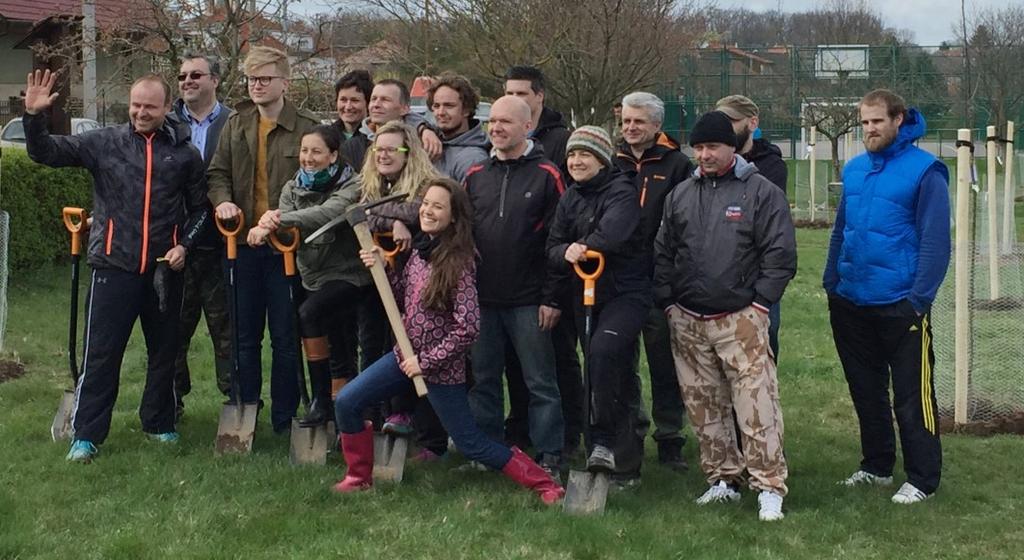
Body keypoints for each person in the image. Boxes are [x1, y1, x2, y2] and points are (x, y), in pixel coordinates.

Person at [332, 178, 565, 505]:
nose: (427, 210)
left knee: (471, 443)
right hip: (405, 354)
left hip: (439, 369)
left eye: (437, 206)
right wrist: (386, 270)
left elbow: (468, 327)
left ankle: (545, 484)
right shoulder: (418, 249)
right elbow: (403, 302)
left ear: (454, 216)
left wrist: (425, 363)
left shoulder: (461, 262)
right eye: (425, 203)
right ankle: (358, 478)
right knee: (347, 402)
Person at [23, 69, 209, 461]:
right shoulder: (103, 143)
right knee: (101, 354)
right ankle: (87, 435)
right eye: (136, 105)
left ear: (165, 108)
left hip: (163, 270)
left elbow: (200, 212)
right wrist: (35, 118)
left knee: (165, 352)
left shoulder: (184, 154)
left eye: (150, 107)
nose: (141, 113)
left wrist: (185, 247)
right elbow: (46, 153)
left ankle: (159, 422)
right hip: (113, 266)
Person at [654, 110, 796, 521]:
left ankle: (769, 485)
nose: (704, 155)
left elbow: (780, 254)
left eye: (712, 146)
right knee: (704, 405)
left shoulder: (761, 192)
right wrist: (669, 301)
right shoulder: (681, 194)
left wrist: (760, 303)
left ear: (731, 148)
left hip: (741, 318)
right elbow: (663, 251)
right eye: (698, 148)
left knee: (756, 406)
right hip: (689, 319)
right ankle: (722, 480)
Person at [824, 89, 950, 505]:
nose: (870, 129)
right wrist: (831, 283)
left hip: (901, 304)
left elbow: (935, 243)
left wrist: (918, 301)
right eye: (864, 122)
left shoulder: (925, 171)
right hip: (852, 301)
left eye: (877, 121)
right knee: (865, 389)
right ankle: (876, 466)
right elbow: (842, 229)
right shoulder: (857, 169)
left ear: (899, 120)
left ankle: (923, 478)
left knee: (913, 397)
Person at [207, 46, 319, 433]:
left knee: (286, 338)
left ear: (284, 83)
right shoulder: (236, 124)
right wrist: (222, 203)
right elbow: (217, 173)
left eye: (265, 78)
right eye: (252, 78)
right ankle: (245, 406)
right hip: (240, 247)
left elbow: (318, 183)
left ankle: (284, 419)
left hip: (286, 249)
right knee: (243, 335)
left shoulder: (307, 127)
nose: (257, 84)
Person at [464, 96, 565, 478]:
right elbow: (460, 234)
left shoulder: (547, 174)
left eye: (506, 121)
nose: (497, 128)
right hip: (482, 300)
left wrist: (552, 297)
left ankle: (550, 455)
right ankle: (487, 452)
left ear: (527, 126)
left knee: (540, 382)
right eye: (492, 122)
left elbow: (559, 240)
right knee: (484, 380)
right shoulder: (475, 174)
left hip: (530, 301)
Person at [546, 125, 650, 487]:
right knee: (587, 363)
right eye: (572, 155)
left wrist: (582, 246)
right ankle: (590, 444)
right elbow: (553, 246)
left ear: (602, 160)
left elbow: (612, 235)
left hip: (624, 293)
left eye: (585, 155)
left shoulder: (621, 191)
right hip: (584, 292)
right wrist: (566, 251)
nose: (576, 161)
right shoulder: (570, 196)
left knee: (606, 356)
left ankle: (615, 450)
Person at [246, 125, 367, 426]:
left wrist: (275, 219)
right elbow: (289, 229)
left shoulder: (352, 184)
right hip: (310, 274)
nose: (308, 158)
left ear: (333, 155)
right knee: (320, 330)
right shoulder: (292, 187)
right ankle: (326, 402)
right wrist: (276, 223)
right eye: (304, 150)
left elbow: (329, 213)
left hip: (349, 273)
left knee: (314, 316)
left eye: (316, 151)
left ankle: (330, 402)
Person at [502, 65, 583, 459]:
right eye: (508, 93)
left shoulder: (560, 142)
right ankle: (520, 431)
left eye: (522, 93)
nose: (516, 99)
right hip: (508, 281)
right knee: (515, 365)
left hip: (552, 273)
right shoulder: (497, 145)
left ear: (539, 97)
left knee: (556, 362)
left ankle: (567, 437)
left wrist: (554, 283)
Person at [613, 91, 695, 472]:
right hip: (617, 280)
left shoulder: (678, 165)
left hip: (662, 281)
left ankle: (670, 437)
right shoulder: (612, 161)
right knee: (620, 362)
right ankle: (629, 431)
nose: (630, 128)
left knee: (665, 364)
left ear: (657, 126)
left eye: (639, 122)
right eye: (626, 121)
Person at [358, 120, 442, 441]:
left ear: (410, 153)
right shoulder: (373, 183)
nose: (384, 155)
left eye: (393, 149)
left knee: (414, 351)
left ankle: (425, 427)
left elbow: (423, 210)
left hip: (421, 283)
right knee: (376, 346)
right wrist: (396, 218)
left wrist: (397, 217)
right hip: (380, 279)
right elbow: (363, 212)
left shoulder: (428, 184)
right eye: (379, 149)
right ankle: (380, 414)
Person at [170, 52, 233, 420]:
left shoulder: (233, 123)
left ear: (215, 80)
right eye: (182, 76)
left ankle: (236, 401)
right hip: (175, 243)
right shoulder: (166, 122)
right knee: (172, 329)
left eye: (196, 74)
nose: (188, 81)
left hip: (222, 242)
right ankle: (172, 400)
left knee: (227, 329)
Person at [716, 94, 787, 360]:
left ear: (752, 122)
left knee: (765, 337)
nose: (726, 127)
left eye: (732, 121)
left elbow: (765, 219)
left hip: (758, 269)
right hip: (718, 268)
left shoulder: (771, 165)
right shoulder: (709, 163)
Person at [341, 79, 441, 172]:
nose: (376, 104)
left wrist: (424, 129)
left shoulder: (425, 142)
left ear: (404, 109)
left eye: (385, 100)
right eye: (374, 99)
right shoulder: (352, 147)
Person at [427, 73, 489, 182]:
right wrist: (423, 129)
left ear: (466, 110)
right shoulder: (432, 138)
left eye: (449, 106)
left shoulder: (472, 159)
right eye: (436, 106)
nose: (440, 112)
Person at [331, 69, 373, 141]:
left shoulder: (377, 137)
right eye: (343, 100)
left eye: (355, 100)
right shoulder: (327, 136)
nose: (348, 107)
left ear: (368, 103)